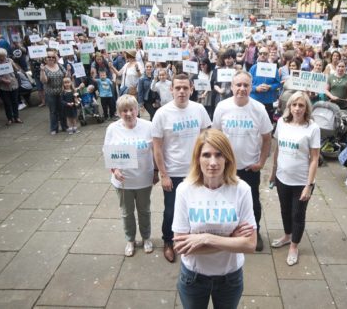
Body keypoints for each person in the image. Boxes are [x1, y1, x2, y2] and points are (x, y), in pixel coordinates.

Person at [173, 129, 256, 308]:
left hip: (230, 278)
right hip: (193, 278)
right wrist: (231, 241)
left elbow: (250, 245)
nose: (213, 162)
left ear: (227, 158)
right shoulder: (185, 190)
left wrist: (205, 238)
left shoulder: (242, 190)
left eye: (219, 155)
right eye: (206, 155)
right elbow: (181, 247)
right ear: (197, 158)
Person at [152, 74, 211, 263]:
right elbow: (157, 148)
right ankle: (168, 241)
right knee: (171, 210)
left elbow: (206, 139)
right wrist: (163, 175)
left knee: (196, 208)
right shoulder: (162, 114)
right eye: (178, 88)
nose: (182, 91)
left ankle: (191, 238)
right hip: (174, 172)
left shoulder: (199, 109)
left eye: (185, 88)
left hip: (196, 171)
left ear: (192, 89)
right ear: (171, 89)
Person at [212, 70, 273, 251]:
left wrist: (261, 162)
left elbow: (267, 137)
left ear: (251, 87)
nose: (242, 88)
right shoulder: (222, 107)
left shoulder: (258, 109)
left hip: (249, 167)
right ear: (231, 87)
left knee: (252, 202)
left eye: (246, 85)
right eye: (238, 85)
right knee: (225, 202)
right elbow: (215, 137)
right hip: (226, 168)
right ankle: (227, 232)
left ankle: (254, 233)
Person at [269, 92, 319, 266]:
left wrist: (309, 185)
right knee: (285, 210)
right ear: (289, 106)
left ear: (306, 108)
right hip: (282, 177)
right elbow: (277, 149)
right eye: (294, 105)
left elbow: (314, 159)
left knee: (297, 214)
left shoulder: (312, 128)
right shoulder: (282, 123)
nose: (297, 109)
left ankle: (294, 246)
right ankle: (287, 235)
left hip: (301, 181)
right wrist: (273, 172)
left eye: (301, 105)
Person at [104, 95, 156, 255]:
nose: (128, 113)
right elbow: (107, 151)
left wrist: (156, 172)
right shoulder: (113, 128)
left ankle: (146, 237)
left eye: (131, 109)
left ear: (137, 110)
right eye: (124, 110)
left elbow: (156, 151)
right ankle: (130, 240)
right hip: (123, 181)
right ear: (119, 112)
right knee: (126, 212)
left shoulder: (148, 126)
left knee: (144, 211)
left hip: (143, 179)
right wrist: (115, 170)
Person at [40, 50, 69, 135]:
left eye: (53, 57)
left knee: (62, 110)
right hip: (50, 93)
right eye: (49, 57)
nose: (51, 59)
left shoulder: (59, 65)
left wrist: (68, 70)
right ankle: (54, 128)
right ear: (46, 58)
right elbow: (44, 81)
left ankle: (65, 127)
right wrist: (42, 71)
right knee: (53, 111)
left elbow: (66, 76)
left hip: (61, 92)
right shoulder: (44, 68)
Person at [249, 47, 281, 121]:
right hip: (255, 100)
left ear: (268, 55)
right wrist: (255, 88)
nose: (262, 55)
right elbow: (247, 84)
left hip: (268, 101)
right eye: (261, 53)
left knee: (267, 122)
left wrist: (270, 87)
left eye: (265, 54)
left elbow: (278, 84)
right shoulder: (253, 68)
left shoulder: (273, 68)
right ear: (258, 54)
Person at [0, 48, 22, 125]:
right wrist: (3, 80)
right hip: (3, 86)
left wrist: (13, 65)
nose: (2, 58)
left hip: (13, 84)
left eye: (3, 56)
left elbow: (17, 70)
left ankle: (16, 117)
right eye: (0, 56)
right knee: (7, 103)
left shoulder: (10, 60)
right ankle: (9, 118)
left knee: (15, 102)